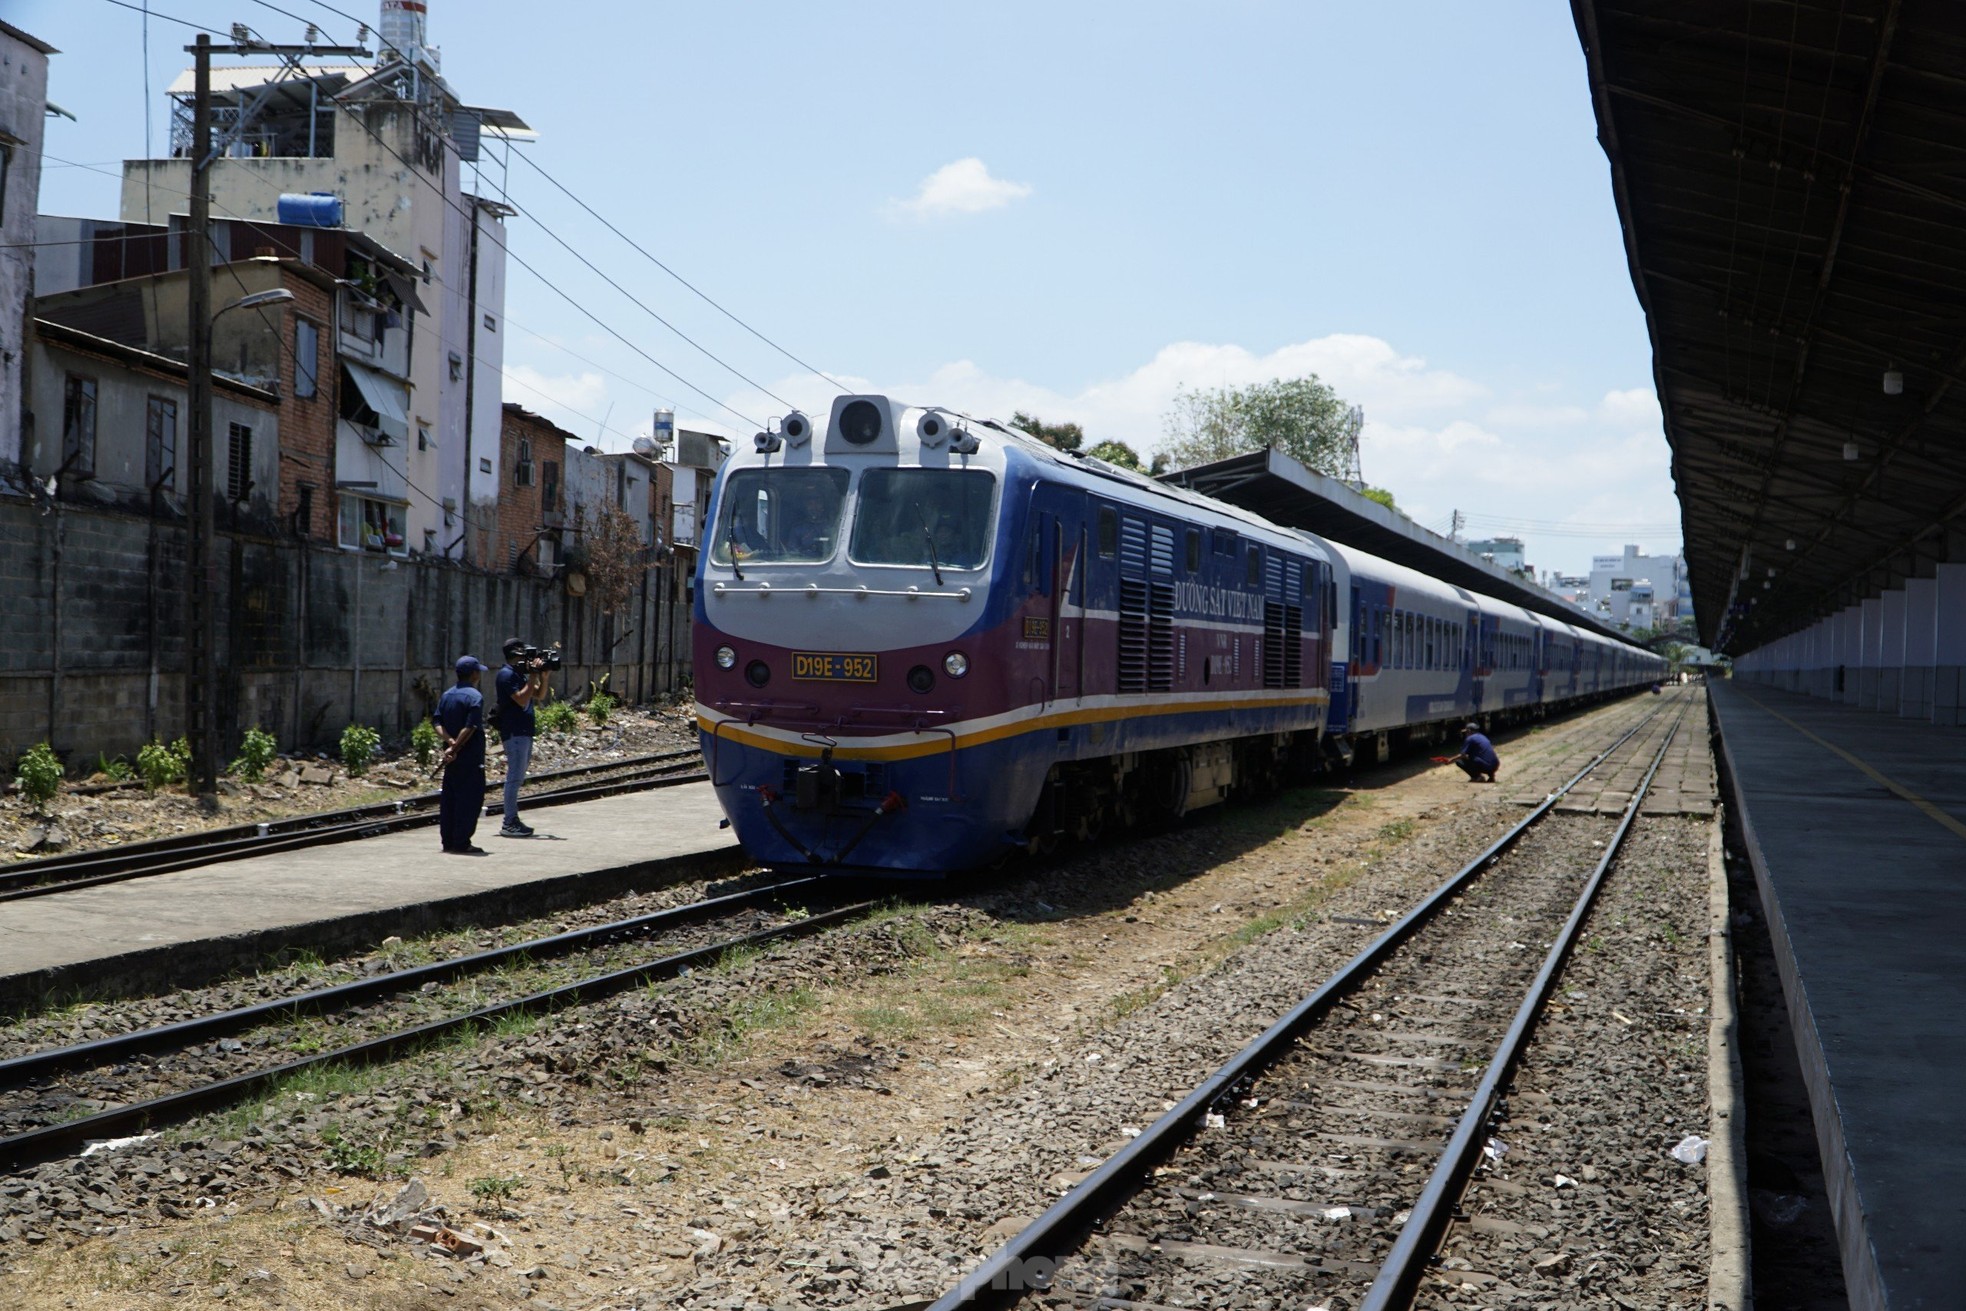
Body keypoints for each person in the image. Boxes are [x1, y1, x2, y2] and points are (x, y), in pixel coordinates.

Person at [494, 637, 550, 837]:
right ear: (515, 654)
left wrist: (543, 676)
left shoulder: (518, 674)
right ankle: (509, 822)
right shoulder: (506, 675)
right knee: (514, 778)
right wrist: (533, 676)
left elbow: (539, 695)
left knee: (517, 778)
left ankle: (512, 820)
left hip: (524, 731)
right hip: (514, 732)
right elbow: (521, 700)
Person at [435, 656, 489, 854]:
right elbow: (471, 726)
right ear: (474, 674)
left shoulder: (447, 695)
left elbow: (437, 723)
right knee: (469, 800)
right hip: (469, 758)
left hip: (451, 760)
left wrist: (449, 742)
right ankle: (461, 842)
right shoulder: (475, 697)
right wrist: (456, 746)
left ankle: (447, 841)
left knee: (450, 799)